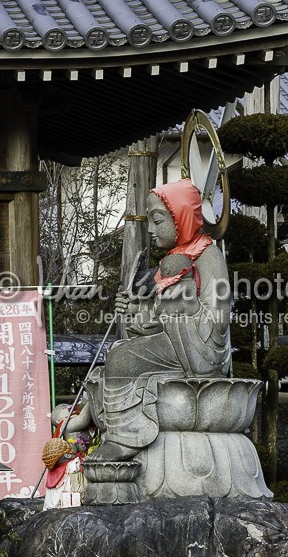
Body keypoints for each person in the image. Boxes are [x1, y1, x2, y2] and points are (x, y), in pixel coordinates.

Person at [76, 179, 231, 461]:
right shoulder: (176, 258)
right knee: (117, 351)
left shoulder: (207, 255)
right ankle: (115, 428)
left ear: (181, 218)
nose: (150, 229)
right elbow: (161, 313)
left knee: (121, 359)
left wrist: (177, 307)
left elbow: (218, 319)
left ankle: (125, 438)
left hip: (199, 350)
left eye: (158, 221)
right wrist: (136, 309)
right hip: (177, 341)